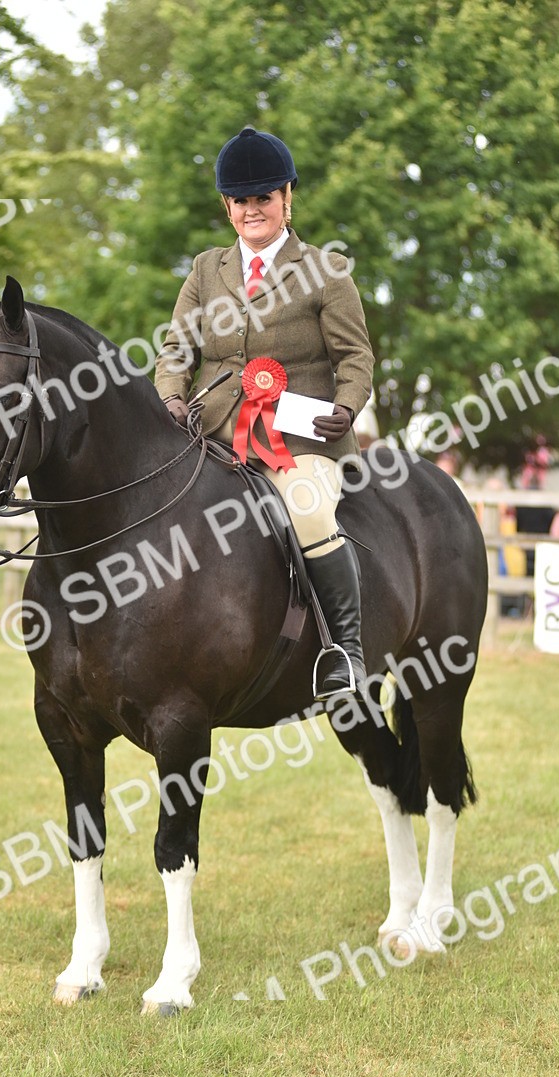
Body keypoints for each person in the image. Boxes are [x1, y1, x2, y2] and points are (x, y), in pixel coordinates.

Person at [154, 126, 374, 699]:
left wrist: (346, 409)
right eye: (242, 201)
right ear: (227, 207)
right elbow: (177, 349)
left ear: (286, 199)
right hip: (215, 435)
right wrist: (172, 396)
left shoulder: (327, 270)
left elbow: (356, 358)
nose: (253, 210)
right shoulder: (207, 270)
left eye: (264, 198)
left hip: (301, 439)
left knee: (306, 512)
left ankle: (344, 652)